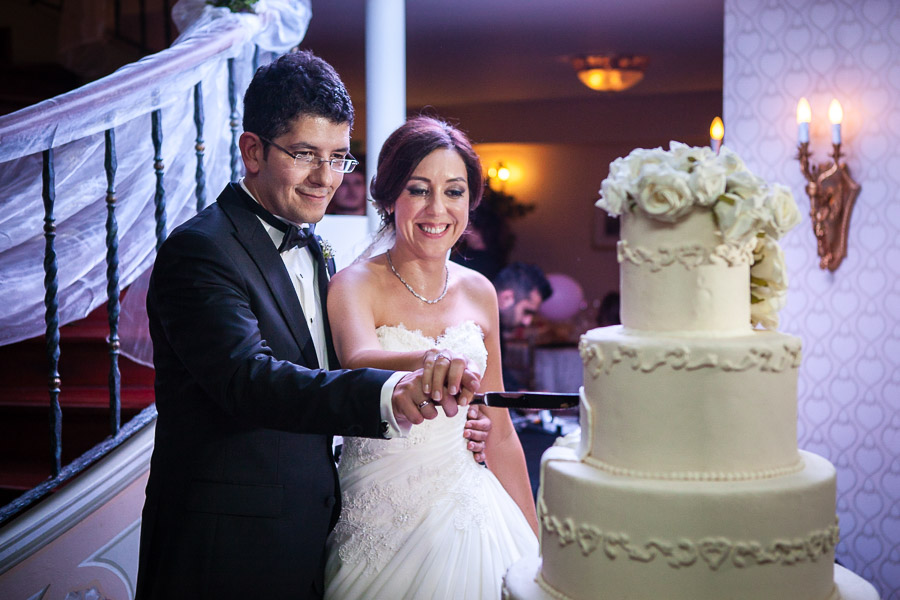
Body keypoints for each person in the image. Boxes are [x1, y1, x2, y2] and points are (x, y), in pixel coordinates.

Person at [135, 51, 490, 600]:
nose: (325, 179)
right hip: (223, 544)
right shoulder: (200, 251)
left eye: (339, 158)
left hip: (312, 533)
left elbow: (335, 364)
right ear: (252, 151)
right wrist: (390, 394)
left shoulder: (318, 250)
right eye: (305, 155)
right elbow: (248, 381)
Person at [323, 116, 539, 599]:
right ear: (388, 196)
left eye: (454, 191)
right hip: (378, 515)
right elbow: (359, 360)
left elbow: (499, 428)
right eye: (419, 190)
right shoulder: (354, 283)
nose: (437, 209)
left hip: (470, 507)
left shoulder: (480, 291)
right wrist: (435, 357)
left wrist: (539, 547)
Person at [493, 262, 552, 391]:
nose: (527, 322)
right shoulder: (479, 323)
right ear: (506, 298)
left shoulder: (497, 327)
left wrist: (522, 395)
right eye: (527, 312)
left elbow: (499, 374)